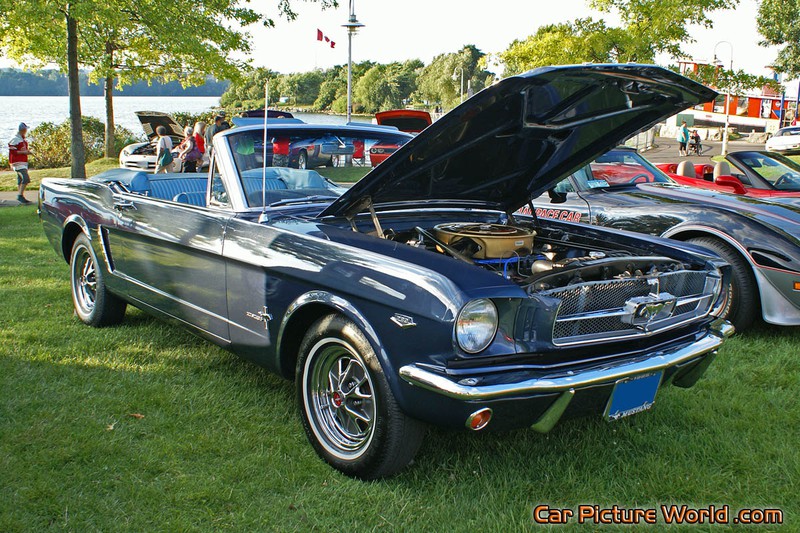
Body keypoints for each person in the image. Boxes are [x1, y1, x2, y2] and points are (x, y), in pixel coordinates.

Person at [8, 122, 32, 204]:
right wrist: (24, 152)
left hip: (22, 162)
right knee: (25, 178)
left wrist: (26, 152)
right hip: (17, 162)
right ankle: (20, 195)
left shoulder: (22, 138)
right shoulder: (15, 139)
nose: (26, 131)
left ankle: (21, 195)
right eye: (25, 129)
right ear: (22, 130)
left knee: (20, 179)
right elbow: (13, 152)